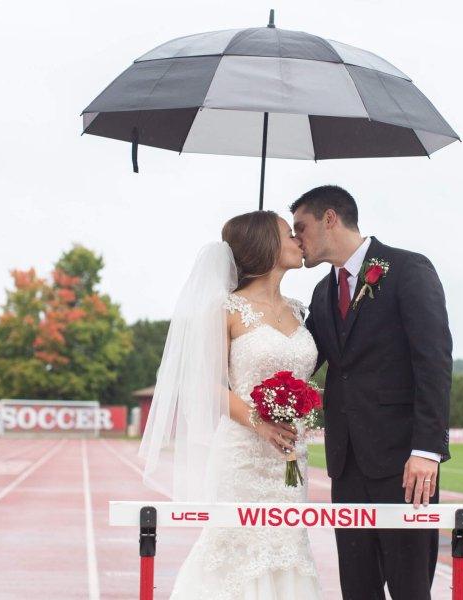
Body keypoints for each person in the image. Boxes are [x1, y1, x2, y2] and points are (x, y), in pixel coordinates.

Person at [139, 211, 323, 600]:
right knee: (237, 547)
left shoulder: (300, 310)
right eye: (288, 234)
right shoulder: (225, 309)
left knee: (289, 549)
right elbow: (206, 385)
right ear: (266, 247)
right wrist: (260, 422)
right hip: (243, 455)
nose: (298, 240)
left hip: (292, 458)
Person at [290, 185, 452, 600]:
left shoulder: (408, 269)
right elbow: (301, 364)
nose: (296, 240)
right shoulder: (321, 293)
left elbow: (433, 362)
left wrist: (427, 450)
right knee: (357, 591)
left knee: (410, 590)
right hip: (345, 466)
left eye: (300, 228)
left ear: (330, 219)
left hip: (405, 465)